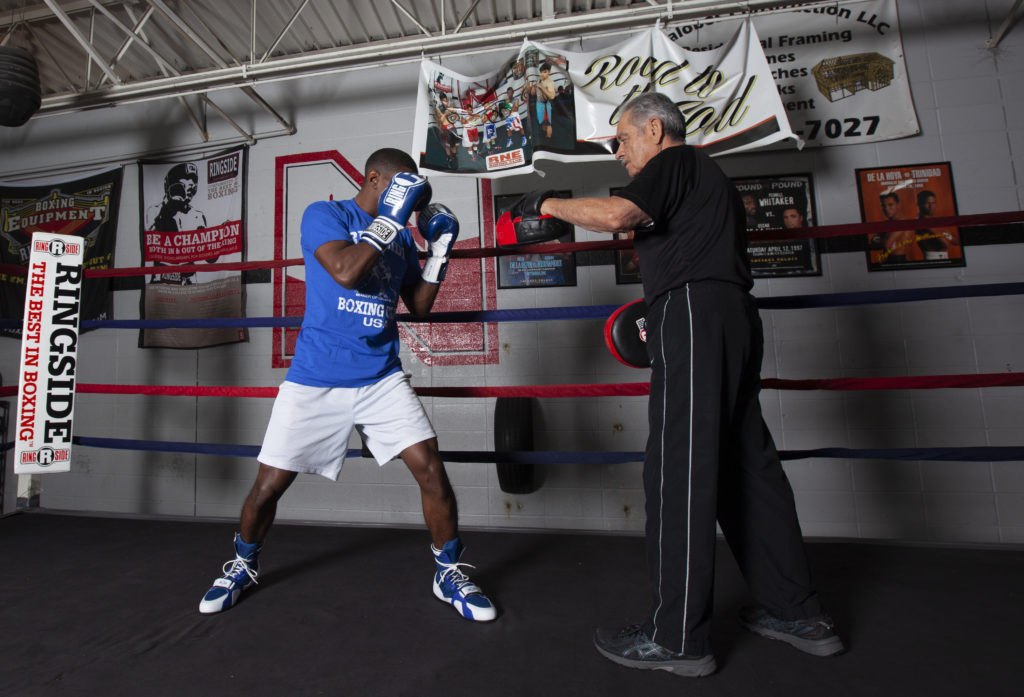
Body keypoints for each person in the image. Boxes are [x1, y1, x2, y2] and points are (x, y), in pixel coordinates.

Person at [533, 92, 842, 676]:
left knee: (680, 466)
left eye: (622, 138)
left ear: (655, 128)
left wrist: (549, 202)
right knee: (746, 466)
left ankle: (676, 637)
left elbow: (619, 215)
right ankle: (796, 611)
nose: (618, 151)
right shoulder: (707, 178)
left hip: (696, 313)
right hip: (728, 316)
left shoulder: (673, 162)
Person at [198, 148, 496, 623]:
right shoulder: (326, 215)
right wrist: (393, 220)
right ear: (374, 178)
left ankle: (448, 572)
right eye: (401, 189)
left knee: (430, 469)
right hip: (317, 376)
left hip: (380, 376)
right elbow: (345, 271)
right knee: (269, 486)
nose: (409, 204)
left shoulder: (400, 239)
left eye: (413, 198)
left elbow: (418, 305)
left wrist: (440, 253)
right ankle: (242, 563)